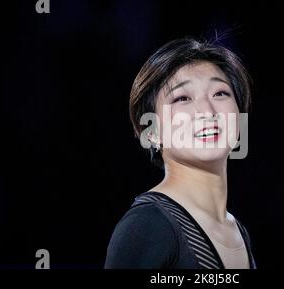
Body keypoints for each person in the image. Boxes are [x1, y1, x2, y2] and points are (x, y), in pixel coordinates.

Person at [105, 37, 256, 269]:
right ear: (152, 131)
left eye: (220, 93)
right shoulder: (148, 224)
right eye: (182, 98)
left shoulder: (238, 231)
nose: (207, 111)